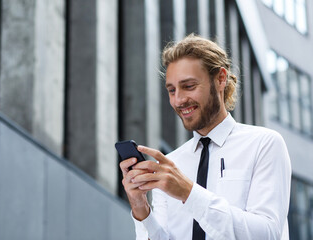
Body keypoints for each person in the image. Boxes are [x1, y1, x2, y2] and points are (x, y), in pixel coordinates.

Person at [119, 34, 291, 240]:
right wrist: (141, 209)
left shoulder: (264, 144)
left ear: (220, 79)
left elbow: (267, 234)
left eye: (189, 86)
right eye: (171, 90)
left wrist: (188, 193)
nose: (179, 100)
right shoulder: (170, 165)